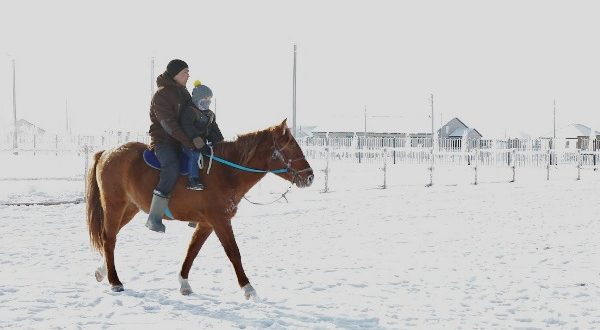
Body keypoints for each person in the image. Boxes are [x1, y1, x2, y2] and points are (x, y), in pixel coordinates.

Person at [146, 59, 206, 233]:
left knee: (203, 164)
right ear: (175, 75)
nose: (188, 75)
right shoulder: (162, 95)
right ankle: (154, 216)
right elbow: (168, 125)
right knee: (171, 166)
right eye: (185, 72)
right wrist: (190, 142)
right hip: (164, 141)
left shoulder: (185, 93)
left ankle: (196, 212)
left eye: (188, 71)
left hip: (182, 140)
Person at [180, 80, 224, 191]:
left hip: (204, 142)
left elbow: (214, 128)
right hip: (189, 142)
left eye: (209, 99)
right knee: (195, 154)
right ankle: (192, 180)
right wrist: (200, 145)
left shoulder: (210, 114)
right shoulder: (190, 111)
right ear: (198, 99)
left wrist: (221, 143)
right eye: (205, 99)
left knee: (214, 155)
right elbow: (188, 129)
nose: (208, 102)